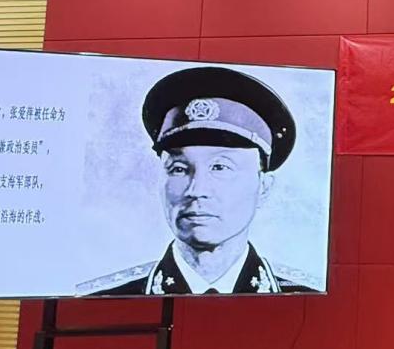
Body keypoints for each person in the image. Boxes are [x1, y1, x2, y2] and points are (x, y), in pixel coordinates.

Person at [76, 66, 317, 296]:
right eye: (179, 169)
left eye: (220, 167)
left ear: (263, 187)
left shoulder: (303, 296)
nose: (196, 190)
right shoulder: (102, 299)